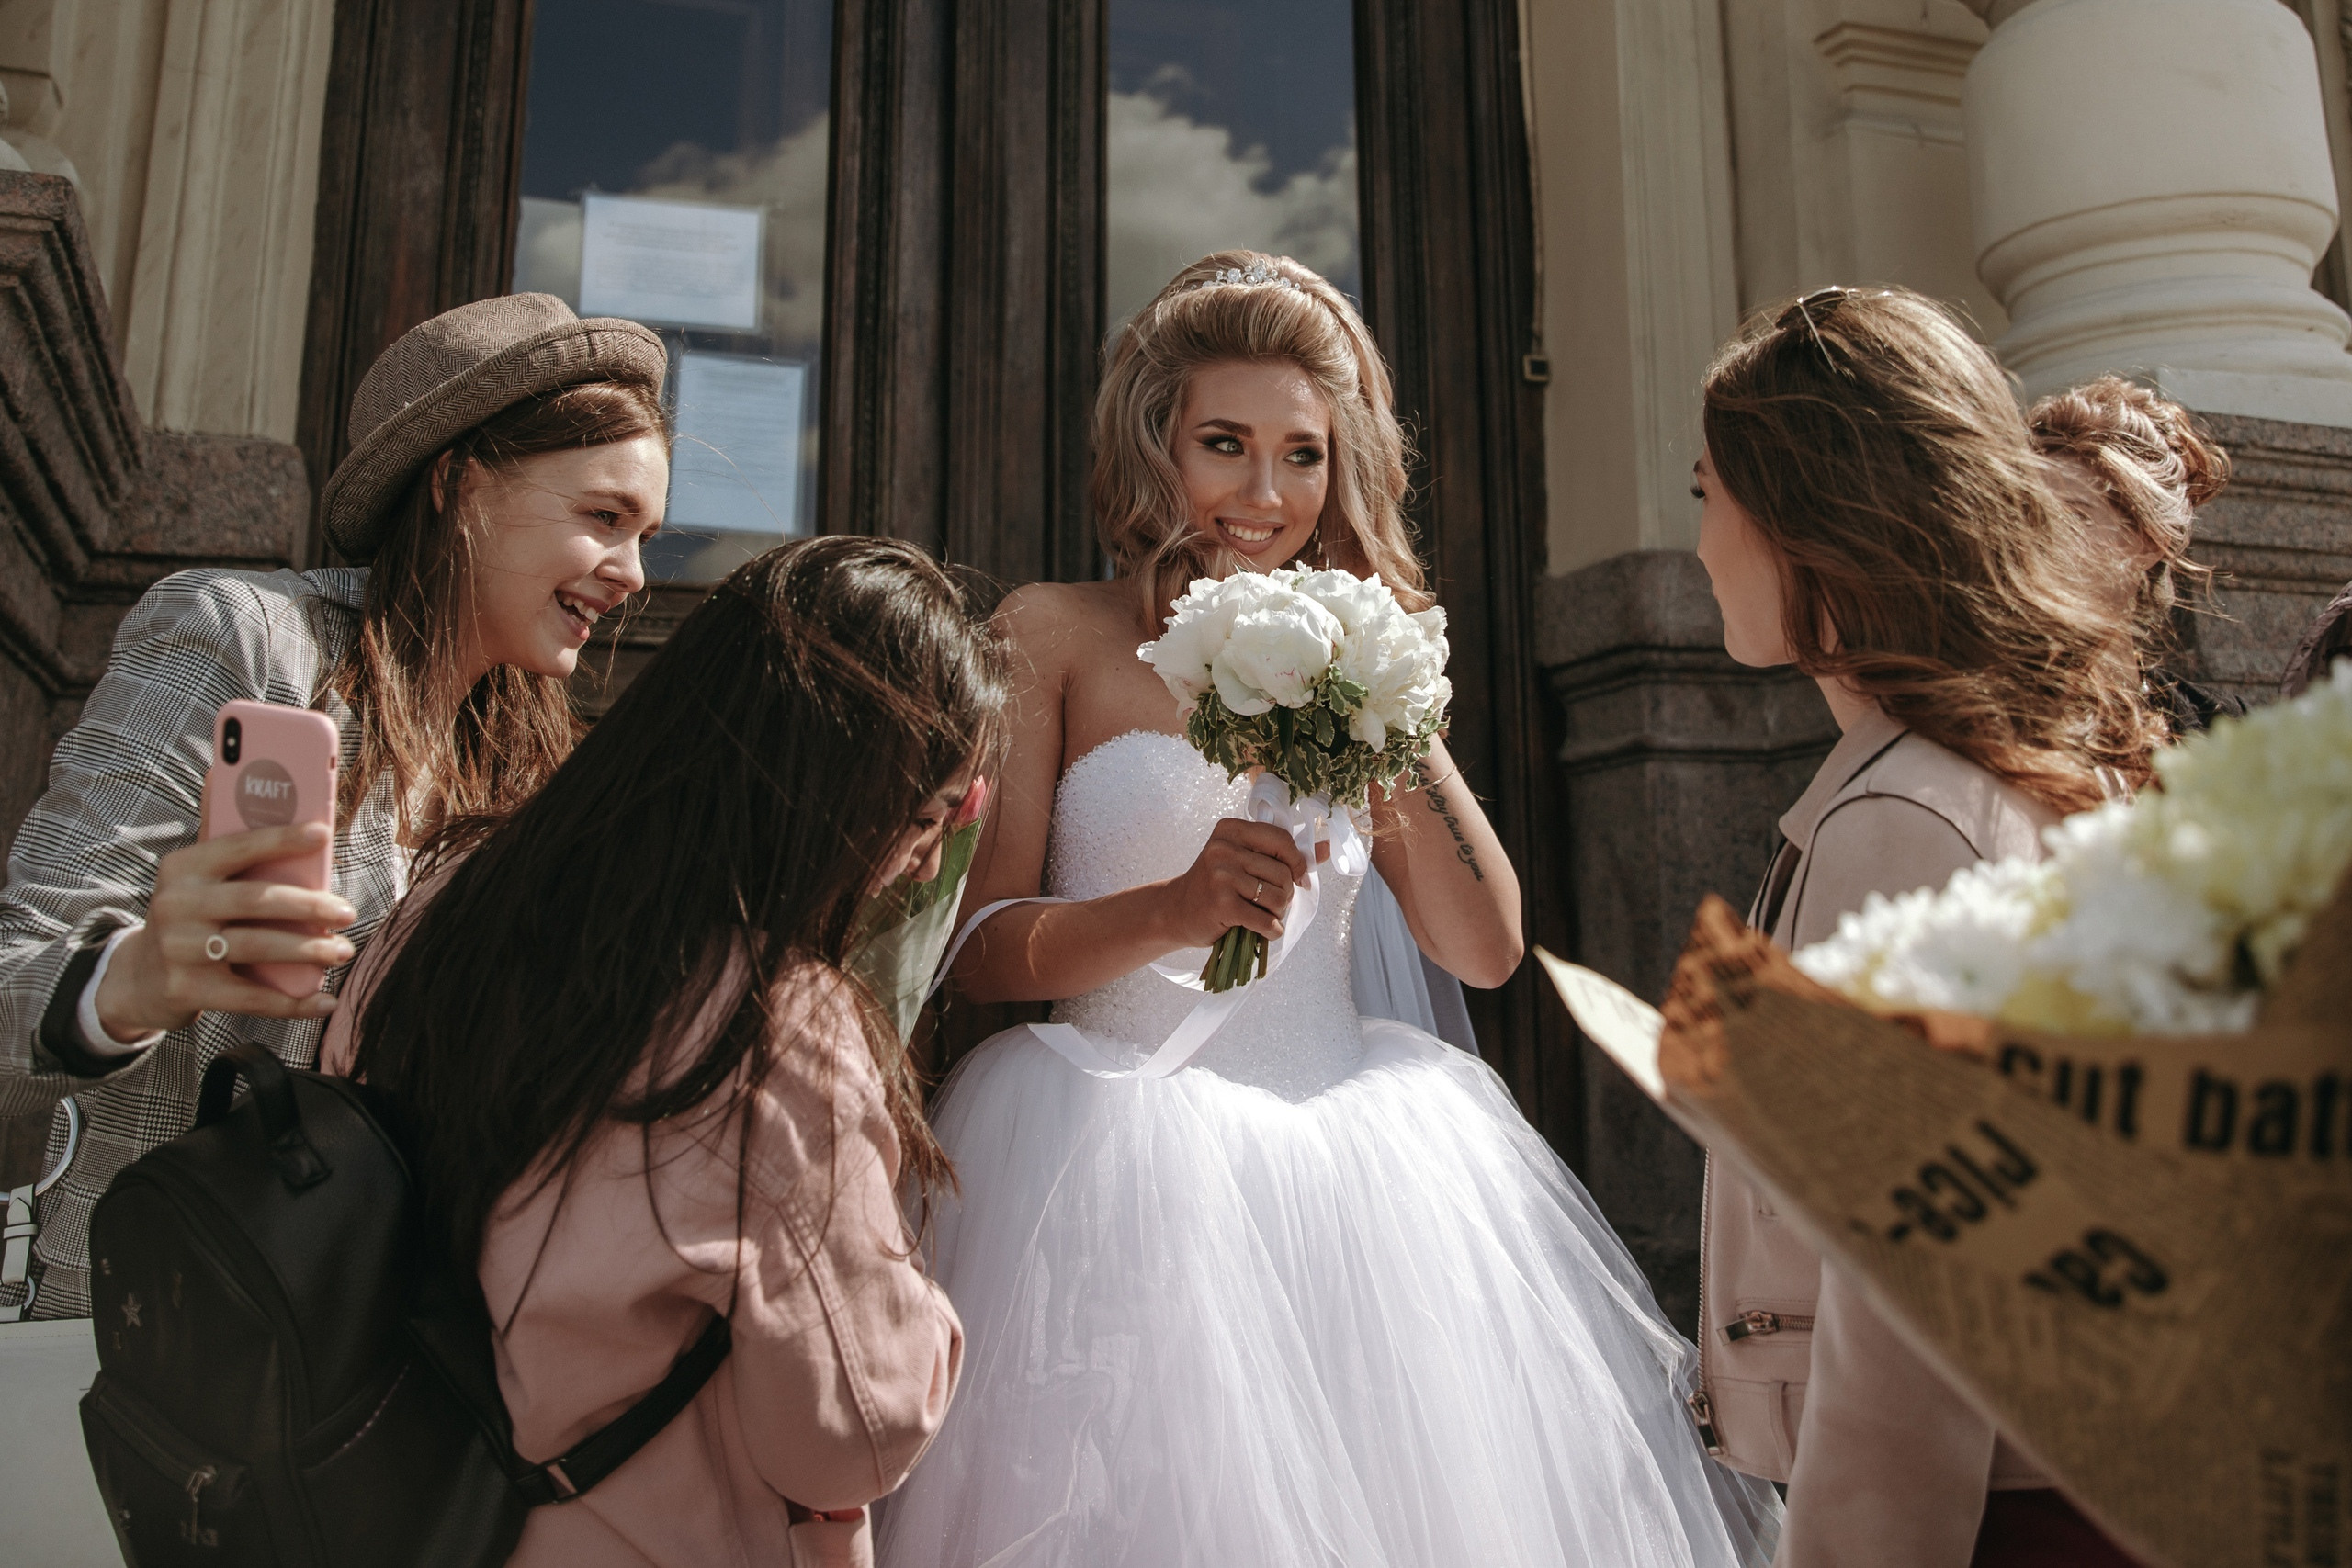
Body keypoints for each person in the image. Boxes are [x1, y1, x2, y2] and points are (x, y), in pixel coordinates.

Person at [875, 251, 1780, 1567]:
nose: (1264, 493)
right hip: (1103, 1168)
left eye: (1303, 455)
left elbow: (1485, 942)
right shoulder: (1056, 635)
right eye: (1224, 444)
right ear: (1155, 445)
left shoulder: (1360, 652)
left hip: (1359, 1180)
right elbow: (975, 953)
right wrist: (1171, 908)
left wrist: (1382, 690)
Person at [0, 293, 668, 1320]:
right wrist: (134, 979)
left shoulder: (538, 772)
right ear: (458, 480)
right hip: (163, 1336)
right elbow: (15, 976)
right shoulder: (249, 644)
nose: (633, 575)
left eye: (645, 534)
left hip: (386, 1365)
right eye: (604, 518)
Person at [342, 537, 989, 1568]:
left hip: (394, 1506)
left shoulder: (450, 893)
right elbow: (850, 1432)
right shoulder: (778, 1027)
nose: (921, 858)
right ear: (828, 798)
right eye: (923, 817)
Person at [1690, 286, 2161, 1568]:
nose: (1699, 541)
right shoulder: (2020, 774)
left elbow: (1908, 1320)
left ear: (1805, 521)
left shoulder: (1901, 816)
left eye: (1706, 493)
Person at [2029, 374, 2243, 736]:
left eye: (2074, 516)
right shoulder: (1998, 720)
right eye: (2029, 515)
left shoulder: (2219, 726)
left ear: (2147, 541)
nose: (2040, 538)